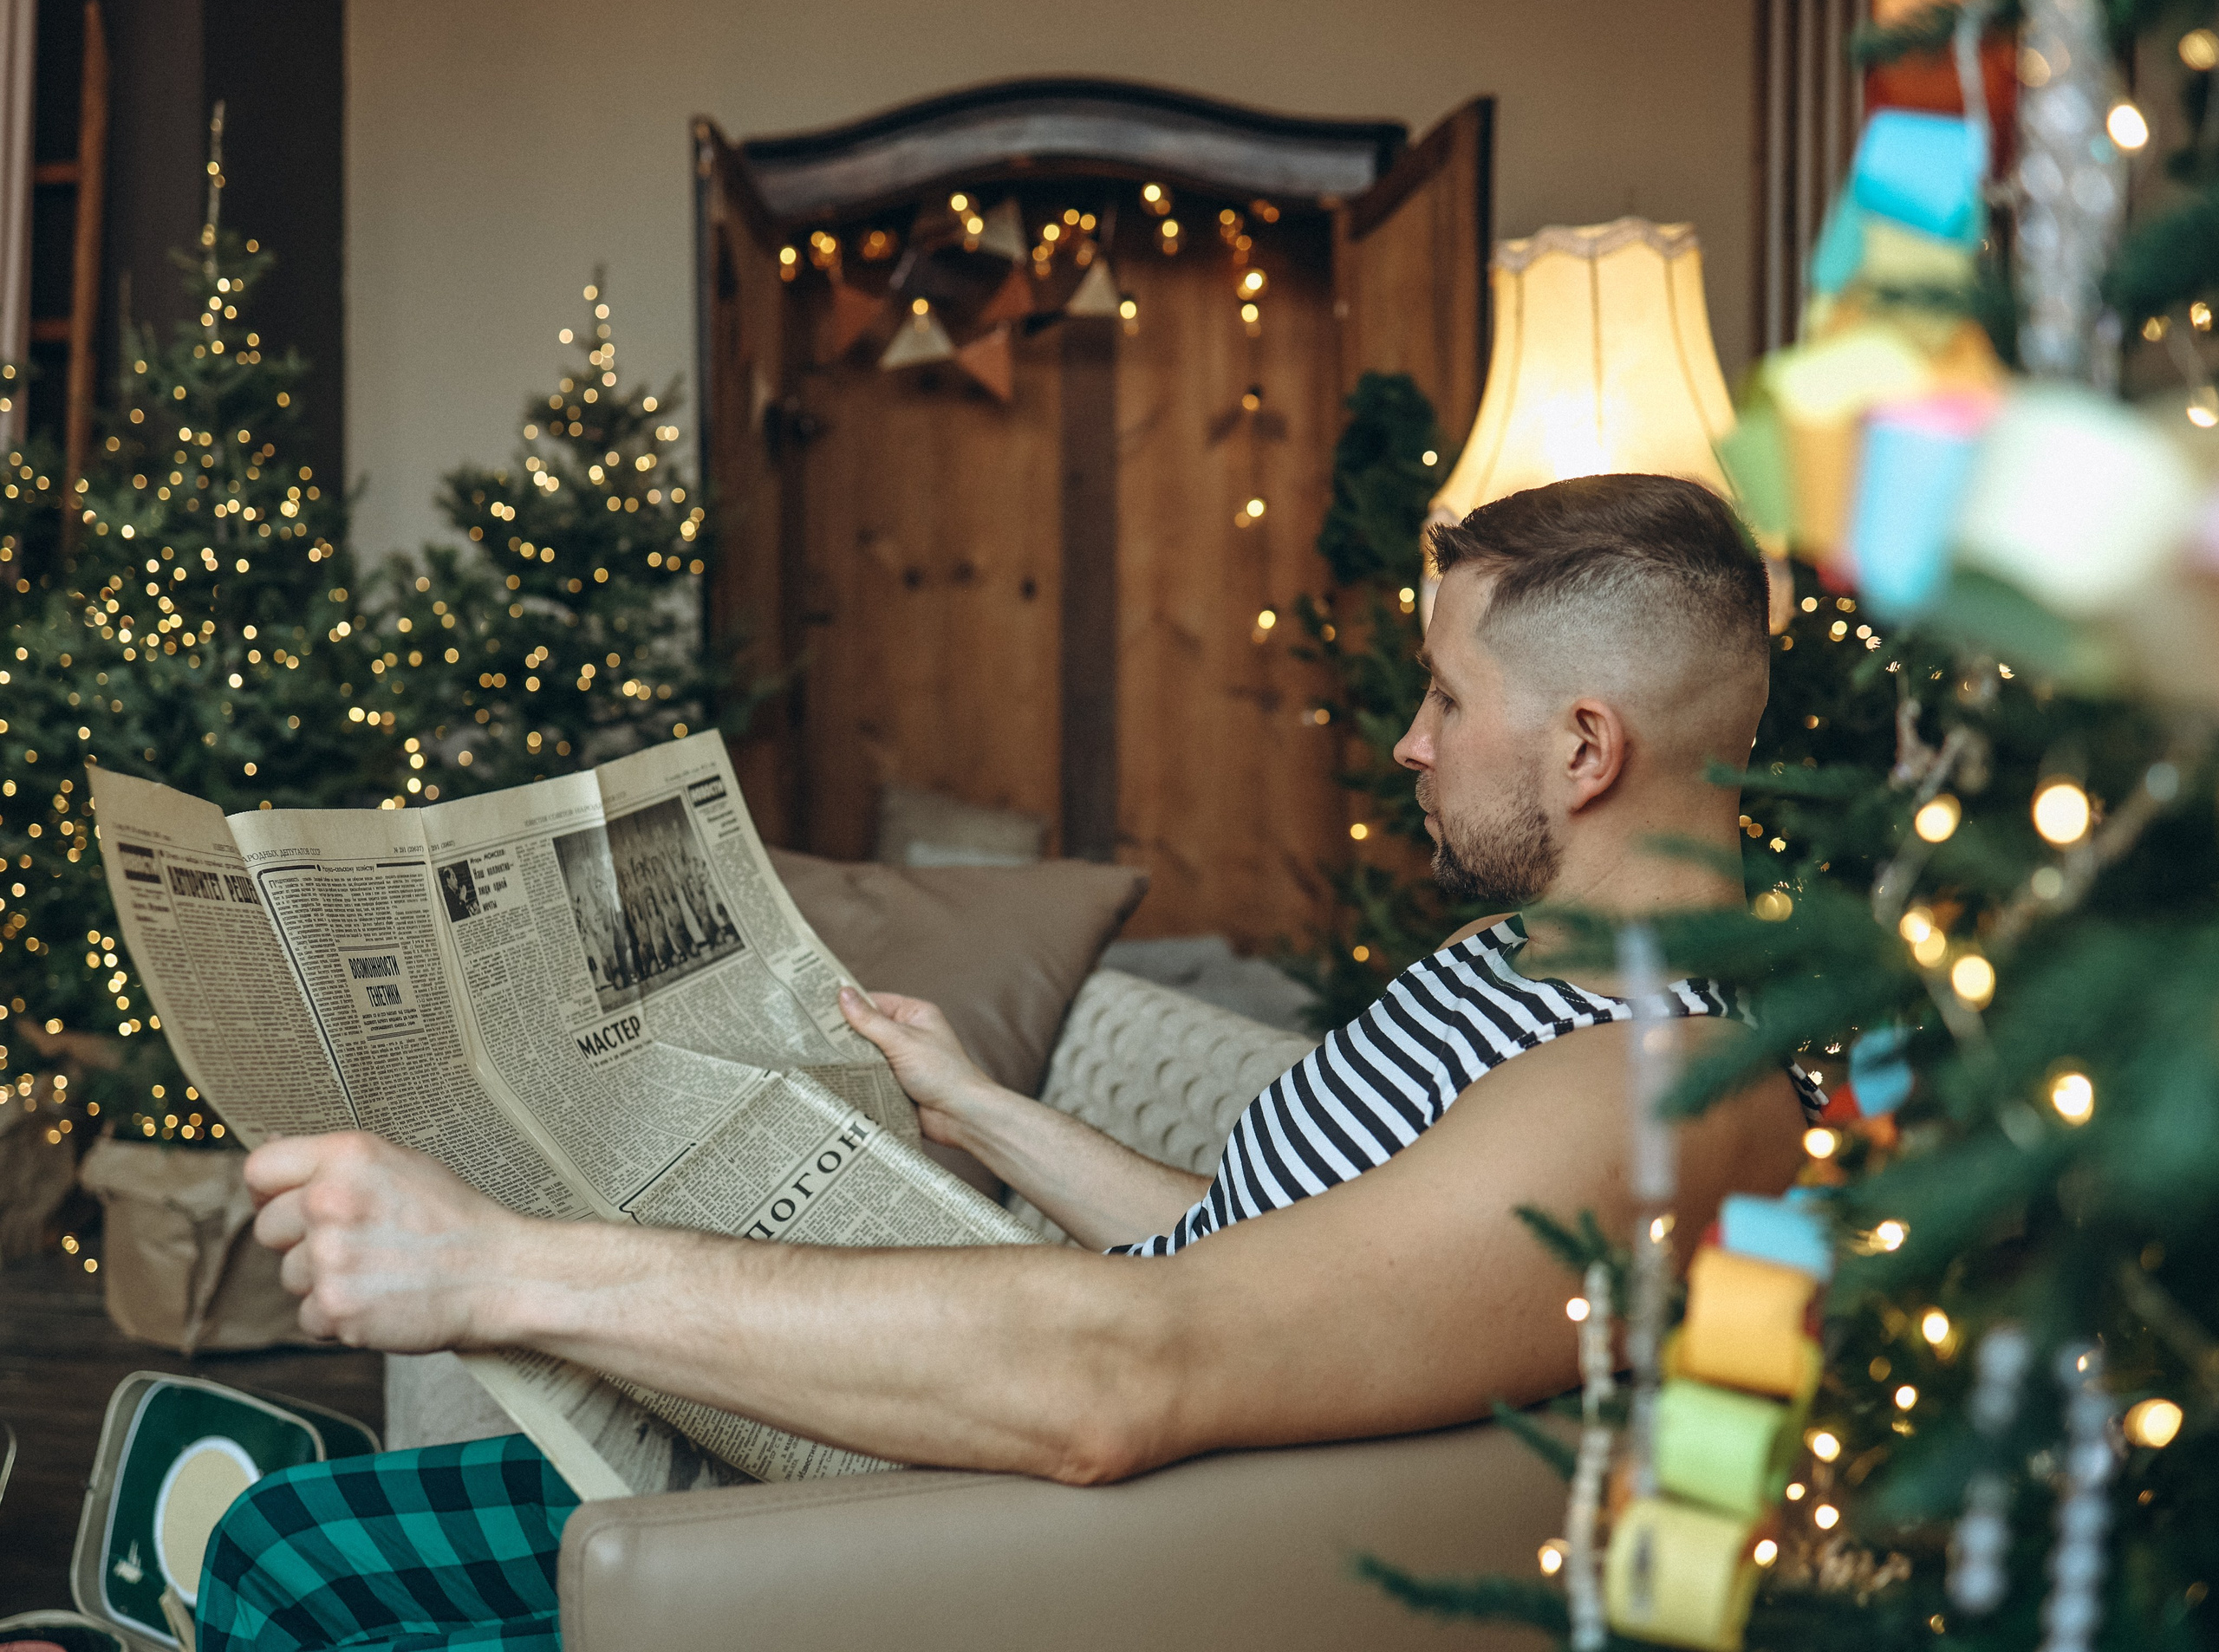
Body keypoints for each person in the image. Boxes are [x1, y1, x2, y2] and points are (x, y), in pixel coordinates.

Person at [195, 474, 1813, 1651]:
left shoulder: (1656, 1091)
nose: (1412, 741)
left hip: (1072, 1530)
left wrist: (496, 1268)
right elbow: (1268, 1259)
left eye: (1449, 700)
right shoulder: (1518, 961)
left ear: (1585, 748)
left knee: (326, 1590)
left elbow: (1144, 1367)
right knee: (287, 1541)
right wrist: (984, 1111)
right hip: (1045, 1429)